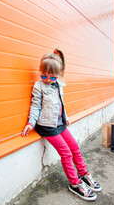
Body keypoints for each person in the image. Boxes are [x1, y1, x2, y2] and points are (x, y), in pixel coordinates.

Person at [22, 49, 101, 201]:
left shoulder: (58, 83)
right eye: (44, 75)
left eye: (52, 77)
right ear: (40, 72)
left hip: (60, 124)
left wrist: (65, 117)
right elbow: (36, 105)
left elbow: (60, 103)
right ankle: (75, 184)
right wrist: (31, 122)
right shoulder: (39, 86)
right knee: (66, 153)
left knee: (75, 147)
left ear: (58, 75)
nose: (48, 80)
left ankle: (84, 174)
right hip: (47, 127)